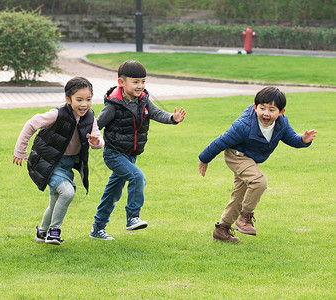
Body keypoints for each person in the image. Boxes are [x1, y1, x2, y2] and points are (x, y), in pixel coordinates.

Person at [198, 87, 317, 243]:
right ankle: (244, 218)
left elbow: (292, 138)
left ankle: (222, 230)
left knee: (239, 195)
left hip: (250, 159)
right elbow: (221, 141)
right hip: (236, 156)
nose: (266, 113)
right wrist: (204, 158)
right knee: (259, 181)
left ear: (281, 112)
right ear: (255, 107)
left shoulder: (281, 123)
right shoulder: (243, 125)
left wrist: (303, 139)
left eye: (271, 109)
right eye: (262, 108)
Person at [89, 60, 186, 240]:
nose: (140, 86)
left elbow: (157, 113)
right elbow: (96, 125)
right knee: (137, 176)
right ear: (121, 83)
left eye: (143, 81)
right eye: (135, 82)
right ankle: (133, 217)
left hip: (131, 155)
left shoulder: (143, 100)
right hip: (114, 154)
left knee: (112, 192)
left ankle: (97, 228)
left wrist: (173, 118)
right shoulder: (113, 105)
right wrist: (91, 137)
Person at [13, 77, 104, 245]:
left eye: (88, 99)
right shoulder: (57, 114)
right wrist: (20, 150)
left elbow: (97, 137)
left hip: (67, 165)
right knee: (67, 192)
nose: (84, 104)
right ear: (68, 99)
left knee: (55, 201)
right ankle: (54, 232)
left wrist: (96, 142)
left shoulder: (90, 117)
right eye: (79, 100)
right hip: (49, 163)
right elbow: (32, 124)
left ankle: (41, 233)